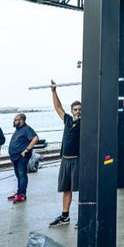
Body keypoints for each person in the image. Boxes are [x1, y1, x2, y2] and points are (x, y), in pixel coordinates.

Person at [49, 81, 82, 227]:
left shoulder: (86, 122)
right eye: (75, 109)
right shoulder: (67, 120)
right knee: (66, 189)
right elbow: (57, 107)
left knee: (81, 190)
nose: (78, 111)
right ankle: (65, 216)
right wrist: (54, 91)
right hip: (65, 161)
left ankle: (83, 217)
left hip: (78, 161)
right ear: (72, 110)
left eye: (80, 109)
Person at [7, 113, 39, 204]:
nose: (14, 121)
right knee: (18, 175)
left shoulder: (26, 129)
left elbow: (35, 138)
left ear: (21, 120)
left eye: (16, 119)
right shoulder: (18, 129)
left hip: (22, 157)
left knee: (22, 175)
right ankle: (19, 192)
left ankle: (22, 195)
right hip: (15, 157)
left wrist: (27, 149)